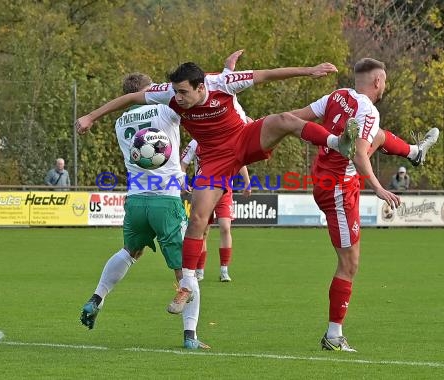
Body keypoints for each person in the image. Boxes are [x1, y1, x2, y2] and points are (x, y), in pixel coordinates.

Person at [75, 50, 360, 319]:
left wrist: (309, 70)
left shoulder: (221, 83)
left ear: (201, 87)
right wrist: (91, 116)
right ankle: (186, 283)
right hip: (213, 158)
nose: (179, 97)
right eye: (176, 92)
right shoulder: (168, 95)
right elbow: (130, 98)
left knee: (284, 119)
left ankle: (337, 142)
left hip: (243, 138)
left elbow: (267, 74)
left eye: (184, 92)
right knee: (198, 217)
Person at [290, 57, 439, 352]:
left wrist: (264, 124)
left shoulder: (338, 96)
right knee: (350, 263)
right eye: (385, 82)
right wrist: (379, 187)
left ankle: (414, 152)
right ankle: (334, 335)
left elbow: (299, 116)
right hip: (338, 189)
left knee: (380, 137)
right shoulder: (368, 111)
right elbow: (359, 155)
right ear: (378, 81)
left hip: (324, 178)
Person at [79, 72, 212, 350]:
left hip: (137, 199)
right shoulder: (165, 107)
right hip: (165, 200)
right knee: (186, 269)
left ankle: (97, 297)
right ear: (149, 90)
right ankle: (190, 336)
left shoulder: (120, 122)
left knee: (131, 251)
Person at [180, 139, 252, 282]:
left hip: (225, 189)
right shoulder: (195, 142)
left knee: (225, 227)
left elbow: (240, 161)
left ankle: (224, 270)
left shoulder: (227, 138)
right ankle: (200, 270)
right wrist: (182, 182)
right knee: (203, 231)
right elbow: (182, 165)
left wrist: (247, 182)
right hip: (203, 189)